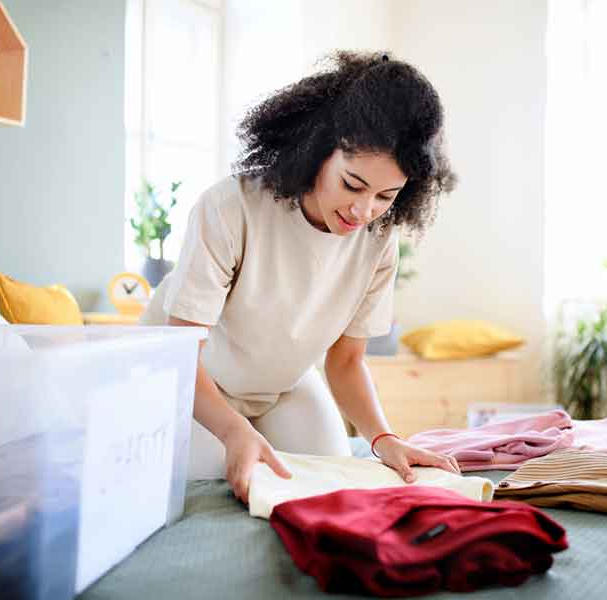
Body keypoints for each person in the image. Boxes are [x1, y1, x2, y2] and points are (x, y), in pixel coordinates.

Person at [141, 50, 458, 503]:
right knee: (222, 481)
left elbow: (346, 362)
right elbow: (180, 355)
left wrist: (384, 439)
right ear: (316, 149)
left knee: (330, 477)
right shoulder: (231, 208)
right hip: (185, 380)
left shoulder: (379, 239)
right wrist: (234, 432)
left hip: (280, 386)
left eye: (386, 195)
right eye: (352, 185)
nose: (363, 211)